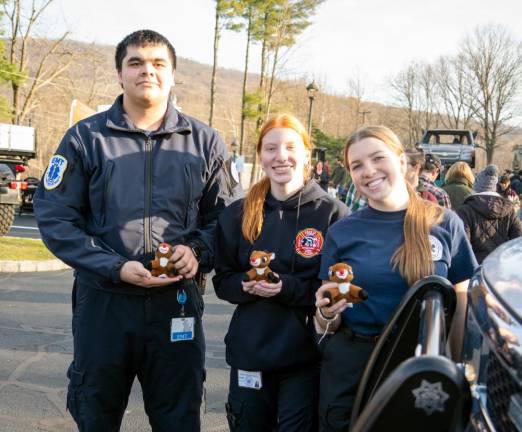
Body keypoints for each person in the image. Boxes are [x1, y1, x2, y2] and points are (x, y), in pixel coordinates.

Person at [34, 30, 239, 432]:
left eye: (159, 63)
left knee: (179, 417)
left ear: (174, 75)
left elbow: (228, 217)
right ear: (120, 74)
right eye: (136, 63)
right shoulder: (84, 138)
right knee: (95, 412)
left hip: (176, 304)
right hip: (104, 303)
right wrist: (113, 266)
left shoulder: (206, 142)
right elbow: (55, 216)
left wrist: (198, 250)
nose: (148, 71)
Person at [314, 126, 477, 431]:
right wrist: (324, 312)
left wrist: (453, 370)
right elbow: (326, 321)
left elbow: (461, 305)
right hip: (351, 366)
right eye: (357, 166)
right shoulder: (342, 232)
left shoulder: (445, 223)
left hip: (419, 369)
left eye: (378, 158)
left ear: (402, 161)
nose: (369, 171)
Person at [213, 114, 348, 432]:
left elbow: (334, 289)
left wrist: (286, 288)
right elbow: (222, 280)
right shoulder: (238, 214)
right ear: (260, 155)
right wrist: (244, 284)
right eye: (271, 148)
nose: (280, 156)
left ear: (306, 154)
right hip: (250, 354)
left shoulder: (333, 214)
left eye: (290, 147)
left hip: (304, 359)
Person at [457, 165, 522, 264]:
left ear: (476, 187)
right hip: (501, 267)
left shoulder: (465, 210)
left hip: (474, 268)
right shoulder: (509, 210)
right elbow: (518, 241)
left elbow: (462, 245)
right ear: (494, 187)